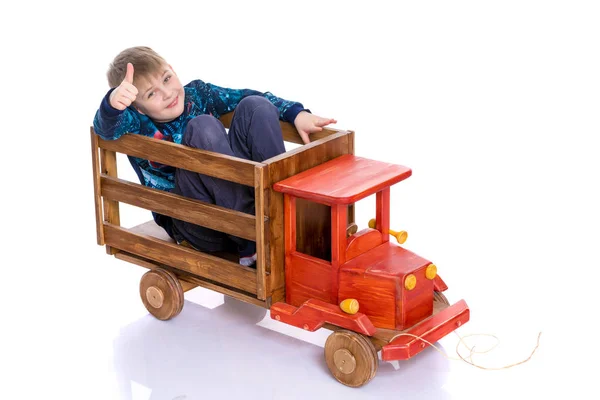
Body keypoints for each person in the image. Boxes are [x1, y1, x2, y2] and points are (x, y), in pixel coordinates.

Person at [93, 46, 336, 267]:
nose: (167, 93)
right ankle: (251, 238)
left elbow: (246, 95)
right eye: (151, 94)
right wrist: (113, 103)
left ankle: (282, 212)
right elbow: (105, 128)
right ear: (136, 106)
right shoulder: (135, 122)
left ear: (173, 70)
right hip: (195, 221)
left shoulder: (198, 94)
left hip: (241, 200)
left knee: (255, 105)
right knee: (202, 127)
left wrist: (296, 114)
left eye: (167, 79)